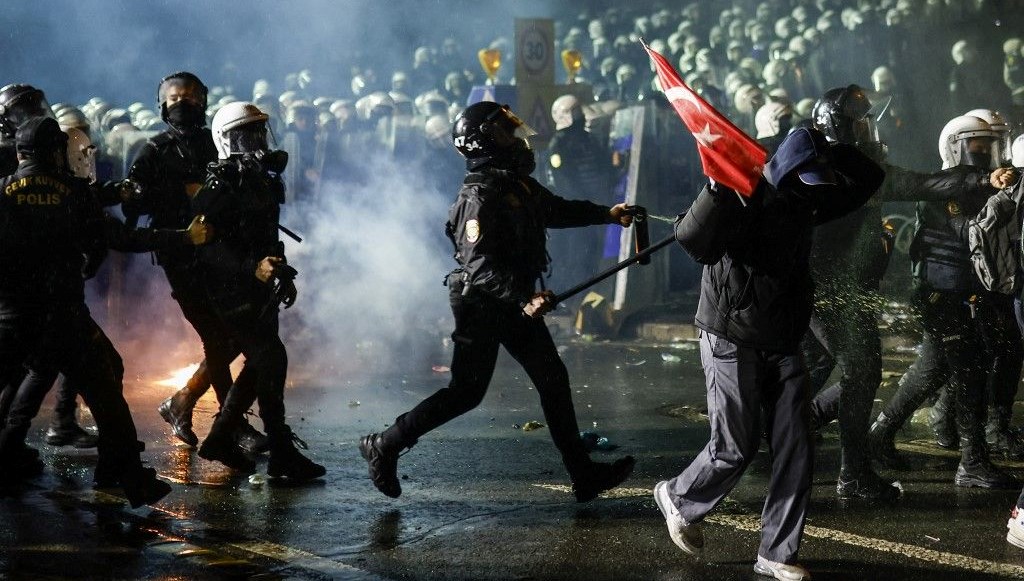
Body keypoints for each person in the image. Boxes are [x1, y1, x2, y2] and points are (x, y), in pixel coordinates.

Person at [358, 101, 635, 502]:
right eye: (504, 132)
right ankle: (384, 445)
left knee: (552, 379)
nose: (515, 139)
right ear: (482, 142)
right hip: (483, 303)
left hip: (513, 301)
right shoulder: (480, 194)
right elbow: (479, 266)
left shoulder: (512, 183)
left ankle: (583, 474)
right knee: (466, 392)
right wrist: (524, 298)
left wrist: (607, 215)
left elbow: (554, 208)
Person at [659, 126, 884, 581]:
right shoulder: (741, 196)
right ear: (785, 174)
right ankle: (679, 497)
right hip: (730, 335)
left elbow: (870, 177)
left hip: (783, 338)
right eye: (806, 177)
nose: (813, 191)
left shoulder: (808, 201)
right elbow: (691, 239)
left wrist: (823, 144)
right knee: (735, 446)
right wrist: (719, 186)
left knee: (796, 447)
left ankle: (777, 553)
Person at [0, 117, 170, 507]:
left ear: (19, 153)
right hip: (64, 316)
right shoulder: (75, 192)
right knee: (108, 400)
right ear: (57, 152)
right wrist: (177, 239)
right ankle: (132, 479)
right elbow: (114, 241)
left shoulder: (2, 192)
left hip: (13, 317)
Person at [868, 114, 1018, 489]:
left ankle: (880, 433)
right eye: (978, 145)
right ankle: (972, 461)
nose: (986, 153)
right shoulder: (945, 189)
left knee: (933, 369)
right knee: (968, 369)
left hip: (963, 294)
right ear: (955, 145)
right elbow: (972, 233)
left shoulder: (984, 185)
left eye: (993, 144)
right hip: (940, 295)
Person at [126, 72, 266, 454]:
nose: (181, 103)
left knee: (232, 337)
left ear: (204, 102)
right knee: (217, 339)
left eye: (189, 96)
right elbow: (131, 206)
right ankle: (230, 425)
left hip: (220, 255)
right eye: (173, 97)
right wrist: (177, 195)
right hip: (181, 256)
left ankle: (183, 403)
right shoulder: (152, 150)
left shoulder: (214, 142)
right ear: (161, 104)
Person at [192, 101, 324, 481]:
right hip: (229, 289)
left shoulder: (261, 179)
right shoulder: (218, 187)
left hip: (260, 286)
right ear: (224, 140)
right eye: (243, 135)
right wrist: (250, 267)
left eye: (257, 132)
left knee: (264, 362)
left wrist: (280, 269)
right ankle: (275, 449)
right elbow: (206, 247)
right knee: (271, 357)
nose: (253, 141)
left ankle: (223, 437)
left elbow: (266, 234)